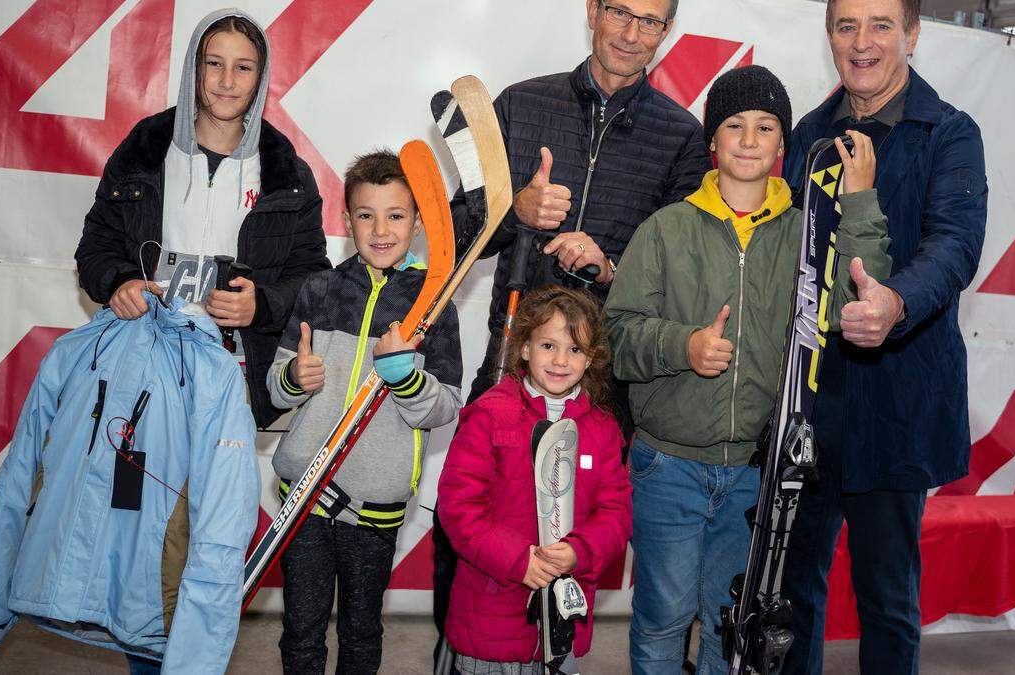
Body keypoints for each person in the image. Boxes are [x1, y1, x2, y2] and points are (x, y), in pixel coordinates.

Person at [437, 0, 710, 655]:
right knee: (474, 529)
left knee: (574, 540)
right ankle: (459, 656)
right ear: (592, 11)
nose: (631, 32)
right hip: (510, 359)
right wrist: (517, 210)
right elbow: (453, 227)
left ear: (667, 31)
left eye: (650, 20)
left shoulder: (681, 137)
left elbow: (682, 278)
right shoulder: (521, 105)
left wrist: (613, 267)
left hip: (606, 381)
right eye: (619, 11)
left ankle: (554, 655)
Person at [604, 65, 891, 675]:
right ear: (713, 139)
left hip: (754, 476)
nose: (750, 139)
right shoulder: (666, 230)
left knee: (730, 626)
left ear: (783, 145)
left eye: (766, 127)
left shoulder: (808, 232)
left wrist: (861, 200)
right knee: (662, 618)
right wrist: (683, 347)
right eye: (734, 124)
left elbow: (849, 306)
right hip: (668, 465)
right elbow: (617, 335)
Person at [778, 1, 988, 673]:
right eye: (846, 26)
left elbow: (955, 245)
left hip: (898, 402)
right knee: (791, 594)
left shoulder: (950, 133)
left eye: (880, 25)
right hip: (808, 402)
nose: (862, 43)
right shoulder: (809, 133)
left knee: (889, 601)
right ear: (830, 36)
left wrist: (897, 301)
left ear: (913, 34)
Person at [75, 8, 330, 432]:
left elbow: (311, 276)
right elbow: (96, 244)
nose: (227, 81)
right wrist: (118, 282)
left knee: (217, 499)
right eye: (214, 63)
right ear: (195, 67)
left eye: (243, 68)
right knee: (139, 495)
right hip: (143, 361)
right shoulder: (145, 149)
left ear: (261, 78)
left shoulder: (288, 173)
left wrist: (261, 304)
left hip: (233, 374)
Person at [266, 150, 463, 674]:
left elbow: (444, 406)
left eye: (396, 215)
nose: (381, 229)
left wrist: (407, 379)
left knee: (361, 631)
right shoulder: (318, 290)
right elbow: (276, 388)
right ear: (346, 219)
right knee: (301, 631)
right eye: (366, 214)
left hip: (374, 505)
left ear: (418, 222)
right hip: (304, 499)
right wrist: (292, 378)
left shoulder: (434, 303)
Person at [437, 286, 632, 674]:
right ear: (524, 348)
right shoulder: (490, 415)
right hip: (493, 616)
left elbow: (616, 511)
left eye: (575, 350)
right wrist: (517, 560)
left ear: (590, 358)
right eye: (548, 345)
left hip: (562, 624)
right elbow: (459, 509)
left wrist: (580, 550)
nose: (560, 360)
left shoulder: (603, 428)